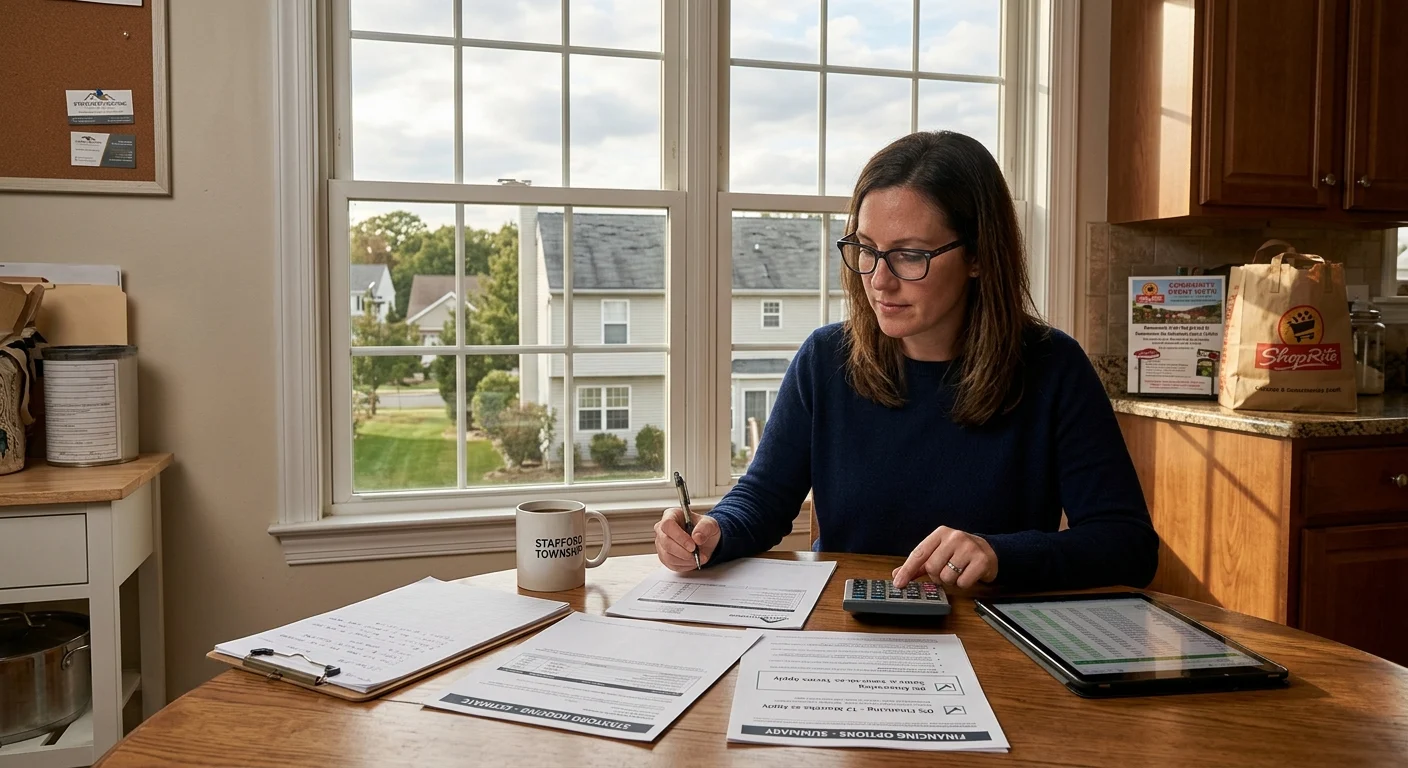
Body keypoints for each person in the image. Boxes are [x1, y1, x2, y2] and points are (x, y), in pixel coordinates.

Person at [653, 130, 1159, 592]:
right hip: (845, 636)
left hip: (994, 647)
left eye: (910, 255)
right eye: (867, 249)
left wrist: (999, 553)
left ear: (980, 256)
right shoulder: (825, 358)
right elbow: (763, 499)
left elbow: (1128, 545)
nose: (878, 279)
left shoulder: (1054, 367)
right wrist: (716, 529)